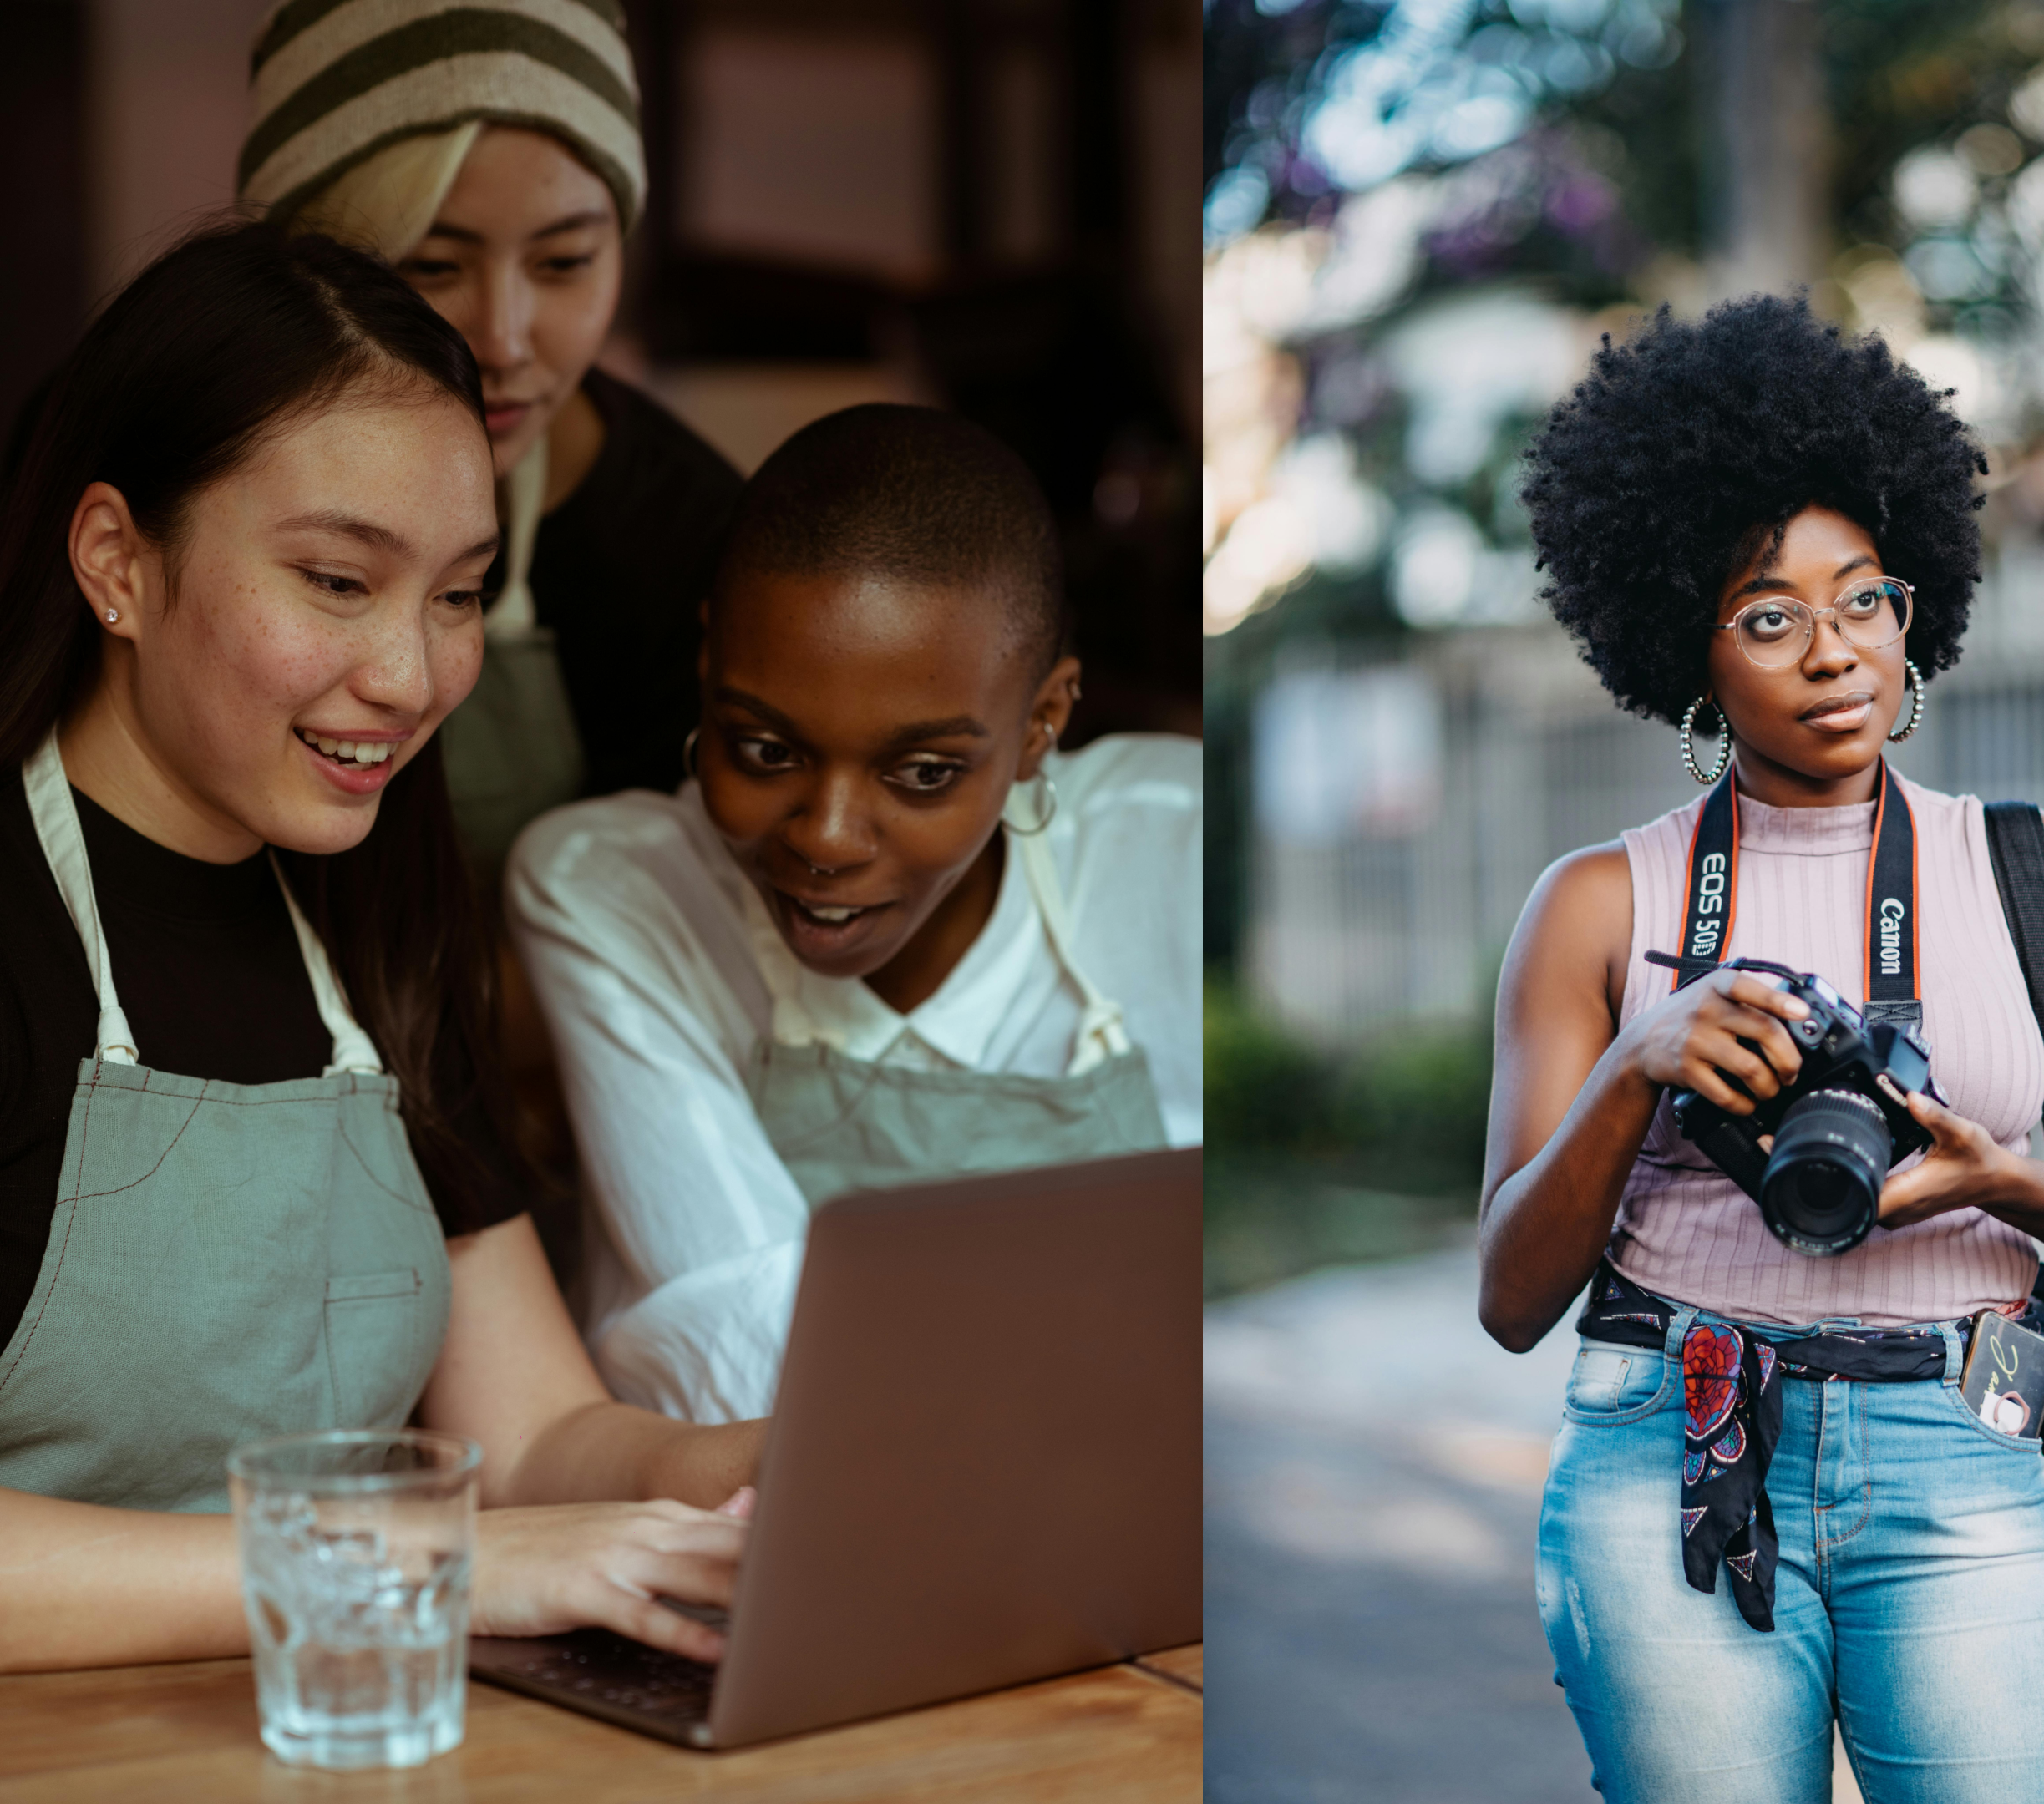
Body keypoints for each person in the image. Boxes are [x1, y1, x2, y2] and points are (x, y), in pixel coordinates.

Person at [0, 220, 762, 1671]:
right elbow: (478, 1529)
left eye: (460, 592)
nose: (413, 678)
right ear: (116, 561)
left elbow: (533, 1440)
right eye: (338, 582)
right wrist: (420, 1556)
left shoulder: (381, 922)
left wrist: (756, 1475)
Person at [1480, 296, 2044, 1804]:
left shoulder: (2025, 867)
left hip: (1964, 1446)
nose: (1833, 655)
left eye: (1864, 598)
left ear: (1914, 600)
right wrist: (1638, 1066)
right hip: (1669, 1449)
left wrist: (1997, 1182)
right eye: (1768, 616)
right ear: (1691, 645)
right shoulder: (1599, 905)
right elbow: (1509, 1296)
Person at [506, 405, 1199, 1426]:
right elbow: (759, 1366)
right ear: (709, 667)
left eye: (923, 772)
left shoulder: (1169, 834)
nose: (827, 838)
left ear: (1042, 722)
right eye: (765, 750)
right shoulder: (611, 887)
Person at [241, 0, 744, 883]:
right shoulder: (146, 447)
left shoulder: (688, 539)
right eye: (433, 265)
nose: (506, 343)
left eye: (564, 264)